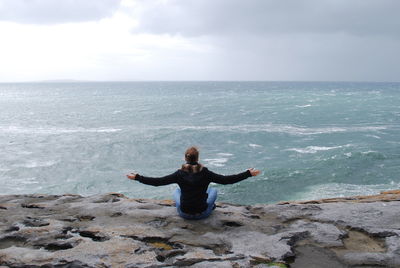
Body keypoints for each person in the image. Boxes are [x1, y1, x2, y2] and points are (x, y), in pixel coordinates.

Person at [126, 146, 260, 220]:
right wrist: (247, 173)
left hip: (183, 213)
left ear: (185, 158)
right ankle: (210, 206)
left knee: (176, 192)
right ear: (198, 158)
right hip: (203, 213)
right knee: (213, 191)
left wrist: (137, 177)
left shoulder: (179, 174)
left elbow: (158, 182)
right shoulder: (205, 172)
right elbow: (227, 180)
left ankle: (198, 203)